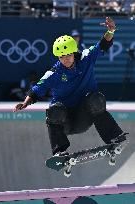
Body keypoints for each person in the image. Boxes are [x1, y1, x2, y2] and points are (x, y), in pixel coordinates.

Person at [13, 17, 128, 157]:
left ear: (74, 52)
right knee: (54, 110)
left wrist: (111, 30)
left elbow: (102, 45)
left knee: (96, 99)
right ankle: (59, 152)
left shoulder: (86, 58)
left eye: (68, 55)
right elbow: (36, 90)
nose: (65, 59)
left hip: (84, 116)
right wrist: (25, 103)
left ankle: (114, 138)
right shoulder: (54, 73)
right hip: (64, 121)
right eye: (61, 57)